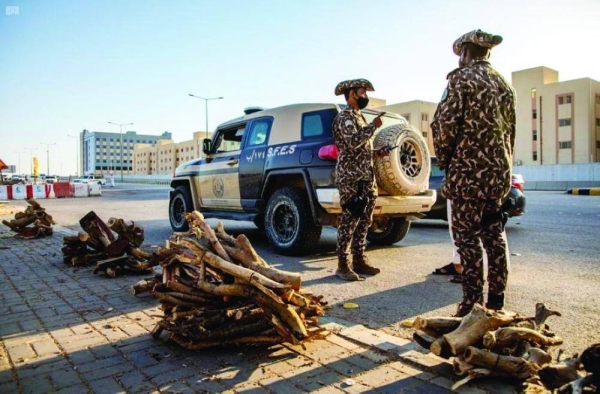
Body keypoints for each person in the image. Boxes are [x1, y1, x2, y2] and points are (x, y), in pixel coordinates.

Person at [431, 29, 516, 317]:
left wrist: (445, 160)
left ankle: (471, 304)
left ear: (466, 52)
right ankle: (496, 299)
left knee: (466, 238)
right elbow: (511, 132)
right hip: (497, 175)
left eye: (461, 54)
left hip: (468, 175)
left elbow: (443, 126)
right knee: (495, 235)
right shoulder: (505, 84)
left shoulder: (461, 79)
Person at [332, 78, 386, 281]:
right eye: (363, 92)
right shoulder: (344, 118)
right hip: (351, 178)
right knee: (349, 220)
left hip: (366, 177)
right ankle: (342, 265)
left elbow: (362, 148)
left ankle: (359, 260)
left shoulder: (359, 118)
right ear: (352, 94)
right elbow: (352, 143)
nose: (366, 96)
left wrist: (376, 152)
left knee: (365, 221)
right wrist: (373, 126)